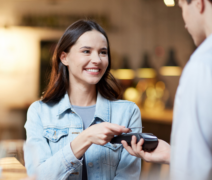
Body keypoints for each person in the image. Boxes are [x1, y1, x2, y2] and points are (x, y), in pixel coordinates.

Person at [24, 20, 142, 180]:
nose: (97, 60)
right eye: (86, 51)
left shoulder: (127, 112)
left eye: (103, 52)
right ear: (64, 57)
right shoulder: (39, 112)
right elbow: (37, 177)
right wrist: (85, 138)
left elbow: (128, 176)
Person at [121, 0, 212, 179]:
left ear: (199, 4)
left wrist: (182, 159)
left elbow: (192, 171)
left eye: (182, 8)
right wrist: (173, 154)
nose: (184, 20)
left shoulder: (201, 66)